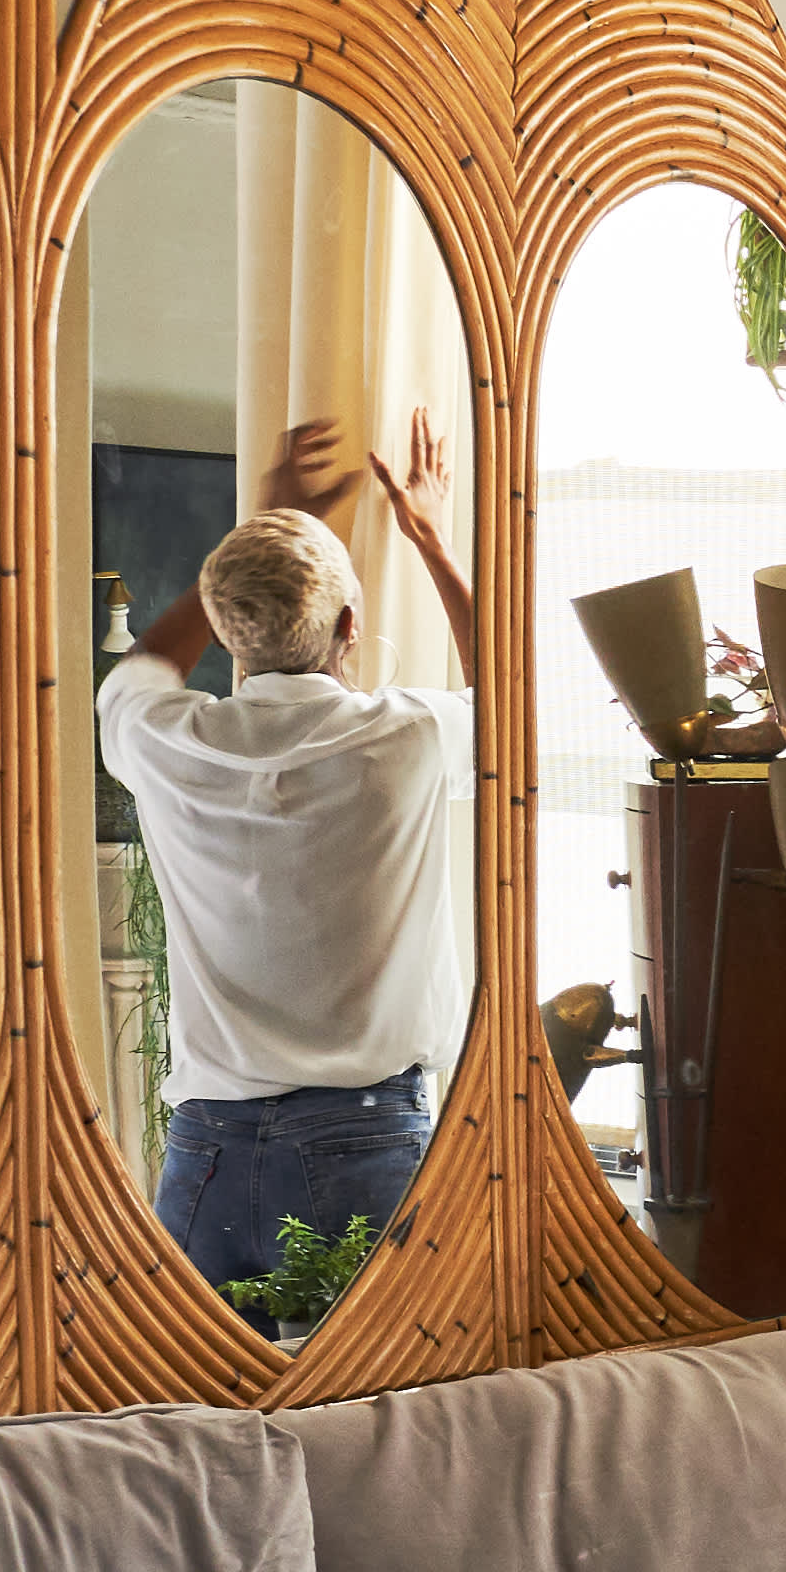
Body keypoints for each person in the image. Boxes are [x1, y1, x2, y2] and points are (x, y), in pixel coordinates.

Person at [104, 405, 485, 1292]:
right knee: (387, 1419)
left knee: (196, 1423)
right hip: (364, 1146)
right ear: (351, 627)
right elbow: (511, 692)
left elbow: (140, 671)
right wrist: (427, 533)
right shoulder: (408, 735)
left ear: (228, 630)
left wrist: (249, 543)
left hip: (204, 1156)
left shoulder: (168, 739)